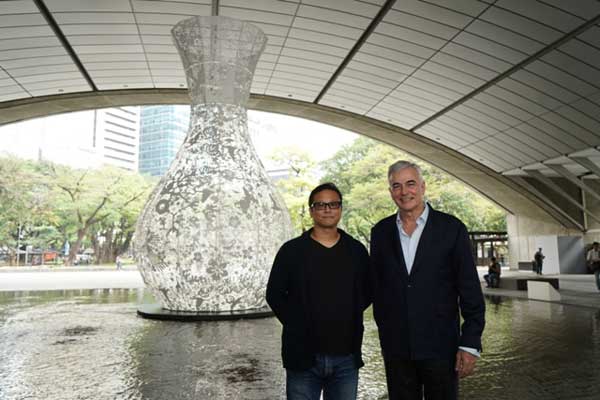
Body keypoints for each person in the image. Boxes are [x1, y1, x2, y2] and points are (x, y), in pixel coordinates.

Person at [370, 160, 485, 400]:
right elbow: (378, 289)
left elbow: (470, 291)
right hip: (397, 350)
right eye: (397, 186)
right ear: (391, 192)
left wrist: (470, 343)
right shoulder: (380, 232)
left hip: (442, 348)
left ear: (423, 186)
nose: (404, 192)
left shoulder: (452, 228)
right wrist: (385, 331)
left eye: (410, 184)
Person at [266, 182, 370, 400]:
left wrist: (345, 313)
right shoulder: (291, 251)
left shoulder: (356, 251)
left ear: (340, 209)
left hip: (346, 356)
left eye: (333, 204)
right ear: (312, 210)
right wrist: (297, 324)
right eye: (320, 205)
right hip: (302, 355)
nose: (327, 209)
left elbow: (369, 290)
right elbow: (274, 294)